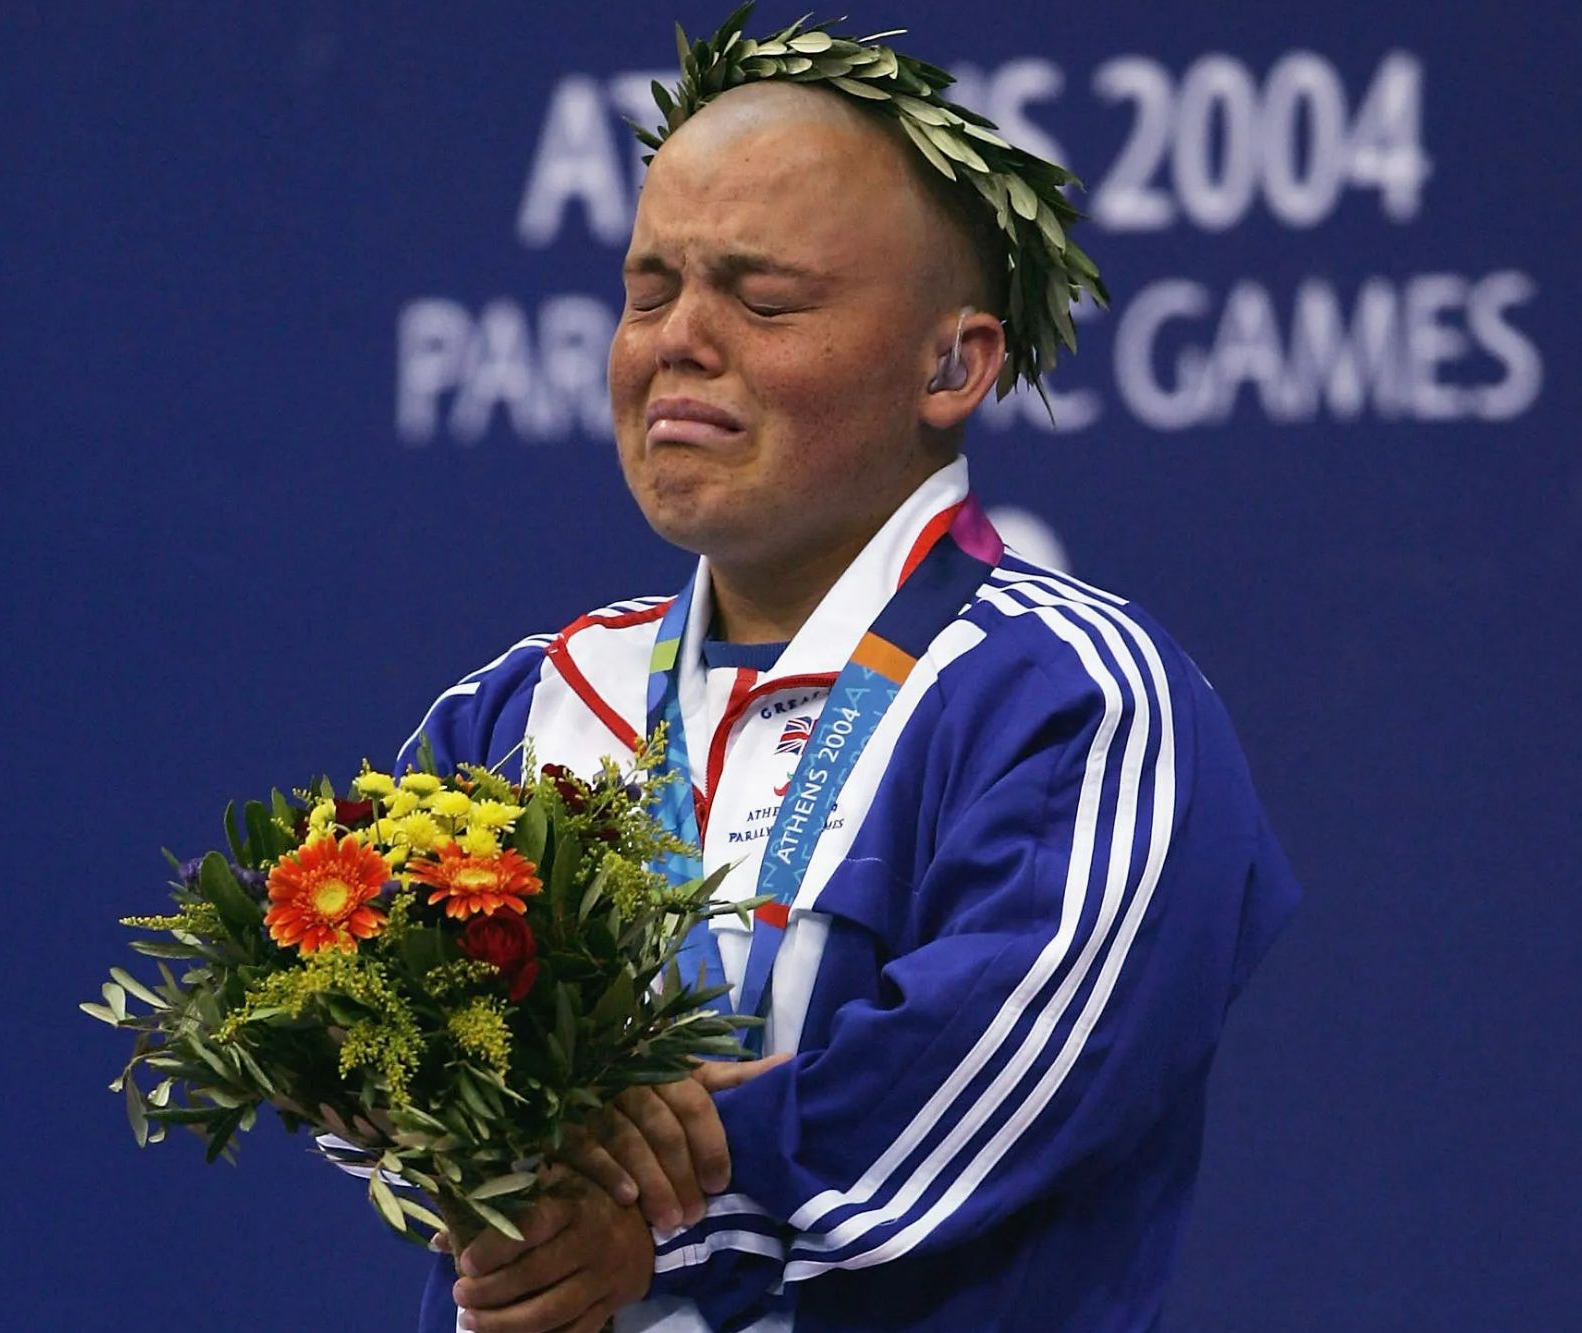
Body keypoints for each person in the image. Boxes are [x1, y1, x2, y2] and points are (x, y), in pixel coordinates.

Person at [402, 17, 1300, 1332]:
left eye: (763, 301)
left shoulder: (1080, 703)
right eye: (650, 293)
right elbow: (361, 1050)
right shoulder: (520, 708)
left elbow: (981, 1081)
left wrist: (636, 1211)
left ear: (955, 364)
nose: (678, 342)